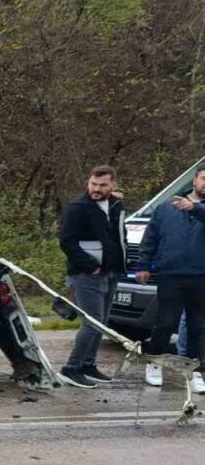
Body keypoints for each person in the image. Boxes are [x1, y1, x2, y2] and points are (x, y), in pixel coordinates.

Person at [137, 166, 205, 391]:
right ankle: (154, 362)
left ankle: (196, 370)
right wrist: (144, 265)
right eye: (204, 178)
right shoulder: (166, 207)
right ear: (195, 180)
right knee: (166, 322)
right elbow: (150, 238)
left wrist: (195, 209)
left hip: (200, 275)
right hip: (171, 274)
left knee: (198, 326)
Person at [57, 165, 126, 387]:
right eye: (93, 184)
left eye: (102, 185)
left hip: (111, 272)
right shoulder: (77, 208)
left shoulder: (115, 205)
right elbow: (66, 242)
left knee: (102, 323)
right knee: (92, 322)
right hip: (86, 275)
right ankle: (71, 368)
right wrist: (90, 266)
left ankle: (88, 364)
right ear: (88, 182)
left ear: (113, 184)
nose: (96, 189)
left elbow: (118, 237)